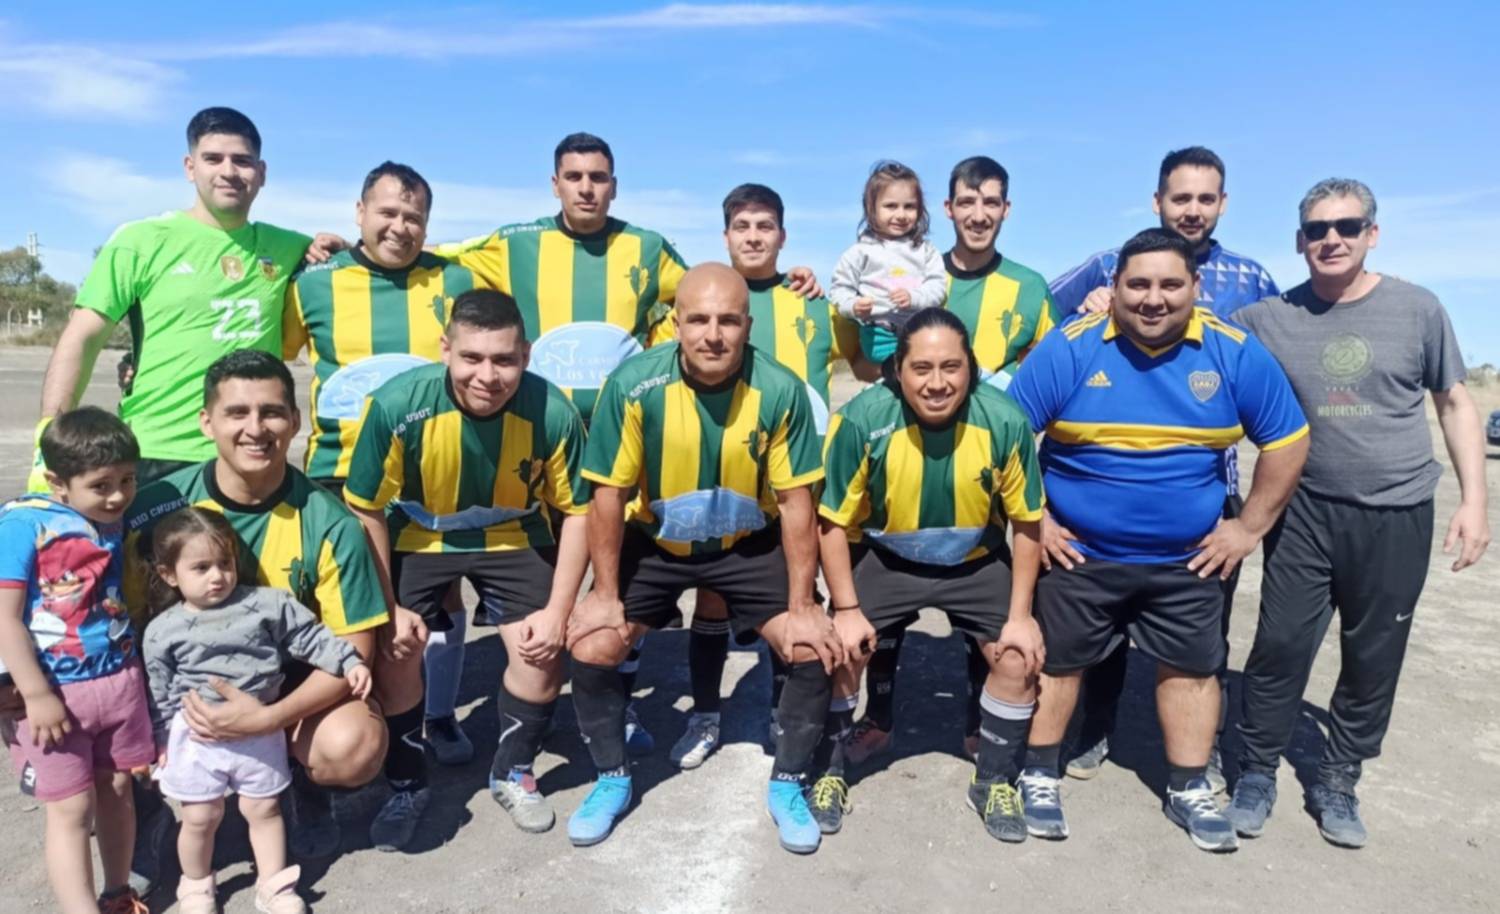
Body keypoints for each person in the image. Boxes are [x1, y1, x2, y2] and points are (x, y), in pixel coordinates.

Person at [1008, 228, 1309, 852]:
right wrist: (1039, 524)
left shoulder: (1232, 352)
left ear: (1195, 287)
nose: (1153, 298)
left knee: (1194, 669)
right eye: (1138, 284)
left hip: (1188, 559)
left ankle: (1188, 786)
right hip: (1079, 552)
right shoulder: (1070, 347)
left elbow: (1287, 440)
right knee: (1058, 663)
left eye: (1170, 284)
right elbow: (1006, 438)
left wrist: (1248, 527)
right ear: (1114, 287)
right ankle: (1038, 773)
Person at [1225, 179, 1490, 848]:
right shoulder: (1266, 319)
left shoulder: (1418, 309)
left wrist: (1475, 502)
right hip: (1304, 511)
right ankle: (1255, 771)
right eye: (1317, 229)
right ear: (1299, 241)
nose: (1332, 239)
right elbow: (1190, 336)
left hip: (1397, 511)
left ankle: (1339, 777)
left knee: (1373, 654)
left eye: (1347, 226)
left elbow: (1454, 404)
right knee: (1281, 646)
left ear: (1373, 233)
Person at [565, 263, 845, 854]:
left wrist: (803, 603)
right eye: (698, 320)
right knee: (592, 645)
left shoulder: (780, 389)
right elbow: (608, 495)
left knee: (812, 647)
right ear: (676, 324)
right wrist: (605, 595)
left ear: (748, 325)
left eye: (727, 321)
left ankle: (788, 783)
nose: (712, 335)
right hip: (657, 543)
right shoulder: (633, 384)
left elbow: (796, 502)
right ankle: (612, 777)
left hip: (746, 544)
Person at [1048, 146, 1280, 786]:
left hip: (1208, 484)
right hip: (1109, 471)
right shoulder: (1109, 264)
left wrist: (1249, 521)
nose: (1192, 210)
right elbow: (1042, 317)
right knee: (1102, 623)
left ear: (1223, 204)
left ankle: (1201, 749)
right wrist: (1086, 305)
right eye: (1181, 198)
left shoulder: (1251, 278)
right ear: (1158, 201)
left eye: (1206, 199)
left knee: (1202, 630)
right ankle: (1095, 727)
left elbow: (1271, 370)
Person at [122, 350, 394, 861]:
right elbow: (112, 620)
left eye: (271, 412)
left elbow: (354, 650)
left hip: (281, 683)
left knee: (352, 747)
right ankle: (146, 810)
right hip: (178, 681)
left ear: (295, 420)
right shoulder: (153, 509)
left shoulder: (330, 522)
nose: (255, 428)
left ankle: (302, 789)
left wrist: (267, 719)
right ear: (207, 422)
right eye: (237, 413)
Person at [341, 289, 591, 836]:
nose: (488, 376)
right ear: (445, 350)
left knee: (542, 651)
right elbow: (365, 508)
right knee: (396, 649)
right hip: (418, 532)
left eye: (504, 360)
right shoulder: (397, 405)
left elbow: (579, 512)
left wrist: (558, 611)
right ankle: (408, 784)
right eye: (471, 358)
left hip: (511, 534)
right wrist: (387, 608)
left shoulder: (552, 410)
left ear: (526, 355)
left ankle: (512, 772)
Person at [850, 155, 1063, 767]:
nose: (978, 213)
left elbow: (1053, 370)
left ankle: (976, 724)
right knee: (883, 611)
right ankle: (878, 721)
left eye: (990, 202)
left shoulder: (1029, 287)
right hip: (905, 465)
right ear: (947, 209)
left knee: (984, 615)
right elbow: (864, 360)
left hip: (987, 473)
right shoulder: (912, 272)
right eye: (967, 202)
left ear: (1006, 209)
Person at [814, 307, 1046, 842]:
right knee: (839, 647)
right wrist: (845, 610)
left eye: (951, 367)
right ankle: (830, 769)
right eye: (921, 368)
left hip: (975, 561)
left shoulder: (1004, 421)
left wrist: (1020, 616)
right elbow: (832, 523)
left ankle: (993, 781)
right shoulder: (862, 421)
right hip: (888, 557)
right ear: (897, 370)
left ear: (972, 369)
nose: (937, 383)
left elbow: (1027, 524)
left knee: (1018, 654)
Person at [666, 183, 877, 771]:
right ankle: (705, 715)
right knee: (712, 599)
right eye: (742, 226)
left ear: (783, 236)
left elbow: (865, 364)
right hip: (726, 481)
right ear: (725, 236)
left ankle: (786, 714)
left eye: (764, 226)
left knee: (799, 599)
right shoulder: (702, 300)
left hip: (799, 486)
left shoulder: (813, 304)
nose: (753, 237)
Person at [282, 161, 481, 767]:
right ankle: (343, 719)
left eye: (413, 216)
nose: (400, 226)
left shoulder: (456, 279)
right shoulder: (312, 283)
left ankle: (437, 716)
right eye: (388, 212)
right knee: (338, 601)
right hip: (338, 473)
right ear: (359, 212)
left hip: (429, 470)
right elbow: (277, 352)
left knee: (436, 597)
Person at [34, 107, 316, 491]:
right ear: (190, 167)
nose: (229, 171)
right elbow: (82, 338)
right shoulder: (140, 241)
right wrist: (48, 437)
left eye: (242, 160)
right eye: (213, 159)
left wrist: (332, 245)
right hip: (157, 451)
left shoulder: (290, 248)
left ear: (261, 172)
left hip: (250, 451)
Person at [142, 507, 372, 914]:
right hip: (196, 737)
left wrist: (348, 660)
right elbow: (159, 691)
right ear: (169, 574)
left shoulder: (266, 604)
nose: (217, 576)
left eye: (225, 563)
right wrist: (160, 740)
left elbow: (310, 637)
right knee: (200, 816)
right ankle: (195, 886)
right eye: (201, 568)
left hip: (261, 728)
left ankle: (274, 886)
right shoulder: (161, 630)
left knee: (263, 808)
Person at [0, 407, 153, 914]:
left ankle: (118, 893)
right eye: (101, 485)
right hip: (54, 694)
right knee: (71, 809)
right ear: (57, 483)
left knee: (118, 790)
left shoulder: (108, 519)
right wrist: (36, 695)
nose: (118, 495)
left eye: (127, 480)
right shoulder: (23, 525)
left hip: (117, 682)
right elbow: (6, 618)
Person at [829, 160, 947, 364]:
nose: (901, 215)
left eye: (909, 206)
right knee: (899, 369)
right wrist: (854, 306)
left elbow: (938, 288)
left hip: (922, 331)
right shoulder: (859, 252)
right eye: (891, 206)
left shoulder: (926, 251)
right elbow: (839, 291)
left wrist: (914, 298)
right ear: (871, 208)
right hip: (879, 334)